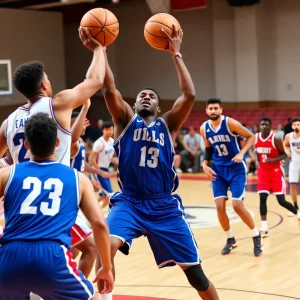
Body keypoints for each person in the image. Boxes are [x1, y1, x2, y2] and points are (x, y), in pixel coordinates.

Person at [92, 26, 219, 300]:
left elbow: (189, 96)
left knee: (196, 275)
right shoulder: (124, 120)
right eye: (141, 95)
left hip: (163, 205)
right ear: (134, 105)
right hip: (129, 201)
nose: (146, 96)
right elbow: (108, 88)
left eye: (151, 95)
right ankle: (104, 296)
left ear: (159, 108)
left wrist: (176, 54)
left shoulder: (168, 125)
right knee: (106, 246)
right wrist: (102, 50)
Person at [0, 113, 113, 299]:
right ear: (58, 144)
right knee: (91, 297)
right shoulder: (78, 179)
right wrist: (106, 267)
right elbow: (100, 225)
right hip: (51, 256)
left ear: (27, 146)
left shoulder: (7, 174)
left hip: (10, 256)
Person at [0, 27, 105, 164]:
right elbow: (95, 81)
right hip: (57, 183)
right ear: (44, 85)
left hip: (22, 184)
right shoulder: (56, 104)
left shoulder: (8, 122)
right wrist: (98, 49)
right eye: (48, 79)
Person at [200, 98, 263, 257]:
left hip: (236, 170)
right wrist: (205, 164)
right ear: (206, 111)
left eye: (216, 108)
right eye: (210, 108)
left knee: (237, 206)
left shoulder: (230, 123)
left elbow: (251, 137)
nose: (213, 111)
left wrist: (242, 153)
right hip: (218, 171)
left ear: (221, 110)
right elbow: (208, 149)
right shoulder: (204, 128)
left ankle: (256, 234)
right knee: (220, 207)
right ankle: (230, 239)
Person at [69, 101, 111, 278]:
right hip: (69, 200)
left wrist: (95, 174)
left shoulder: (79, 144)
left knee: (75, 251)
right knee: (91, 248)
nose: (85, 125)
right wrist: (84, 108)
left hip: (77, 195)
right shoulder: (71, 144)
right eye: (80, 122)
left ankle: (60, 284)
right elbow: (70, 137)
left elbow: (83, 165)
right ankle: (74, 291)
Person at [255, 118, 300, 237]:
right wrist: (256, 161)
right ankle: (264, 227)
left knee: (281, 201)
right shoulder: (255, 137)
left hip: (275, 172)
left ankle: (297, 212)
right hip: (263, 172)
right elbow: (255, 151)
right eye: (262, 124)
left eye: (266, 124)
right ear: (260, 126)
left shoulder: (275, 139)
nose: (264, 126)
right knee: (262, 198)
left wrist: (273, 160)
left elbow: (284, 154)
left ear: (270, 126)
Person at [89, 121, 115, 208]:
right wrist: (99, 171)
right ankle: (97, 213)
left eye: (112, 130)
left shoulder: (112, 141)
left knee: (103, 196)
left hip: (106, 169)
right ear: (103, 130)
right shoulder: (99, 143)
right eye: (108, 130)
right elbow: (91, 159)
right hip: (98, 170)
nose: (110, 132)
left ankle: (90, 210)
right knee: (109, 196)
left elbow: (111, 157)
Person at [283, 118, 300, 216]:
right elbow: (285, 145)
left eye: (298, 124)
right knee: (292, 185)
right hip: (294, 163)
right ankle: (295, 207)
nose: (297, 126)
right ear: (292, 126)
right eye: (295, 124)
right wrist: (287, 151)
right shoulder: (288, 136)